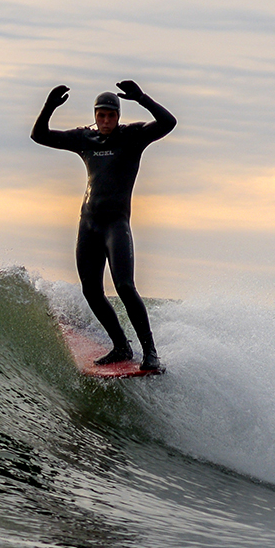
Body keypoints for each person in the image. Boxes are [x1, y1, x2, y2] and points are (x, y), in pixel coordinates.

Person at [31, 80, 176, 371]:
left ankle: (150, 352)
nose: (106, 120)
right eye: (101, 115)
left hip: (116, 225)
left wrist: (142, 98)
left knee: (124, 285)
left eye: (111, 115)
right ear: (95, 115)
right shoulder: (85, 139)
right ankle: (121, 346)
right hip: (88, 225)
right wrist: (49, 106)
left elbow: (168, 122)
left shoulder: (132, 137)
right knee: (91, 291)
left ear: (118, 116)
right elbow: (39, 135)